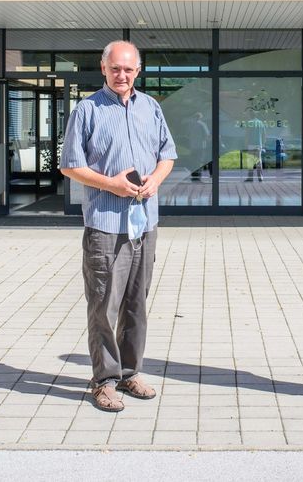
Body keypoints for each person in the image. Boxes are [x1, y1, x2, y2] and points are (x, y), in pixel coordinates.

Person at [59, 40, 177, 413]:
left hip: (144, 223)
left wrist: (156, 179)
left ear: (137, 70)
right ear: (103, 68)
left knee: (136, 303)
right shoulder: (87, 110)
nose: (121, 75)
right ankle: (104, 381)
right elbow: (69, 165)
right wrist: (111, 184)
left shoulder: (151, 107)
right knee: (103, 305)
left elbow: (167, 155)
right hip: (106, 225)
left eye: (128, 69)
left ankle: (129, 373)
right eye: (115, 68)